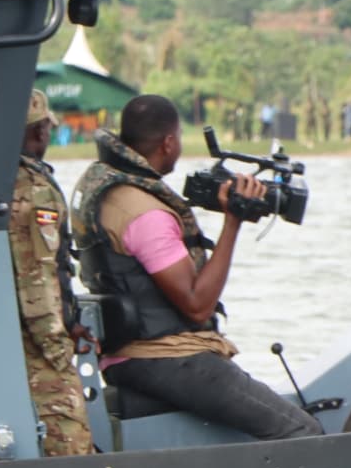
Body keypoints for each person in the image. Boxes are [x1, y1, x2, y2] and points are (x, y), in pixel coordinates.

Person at [70, 94, 319, 442]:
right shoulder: (145, 213)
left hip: (125, 354)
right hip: (166, 356)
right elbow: (196, 303)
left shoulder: (104, 185)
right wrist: (234, 221)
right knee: (303, 429)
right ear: (169, 142)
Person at [11, 90, 93, 458]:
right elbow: (36, 278)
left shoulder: (4, 181)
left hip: (15, 338)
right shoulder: (34, 191)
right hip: (38, 347)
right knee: (71, 444)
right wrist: (58, 351)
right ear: (42, 131)